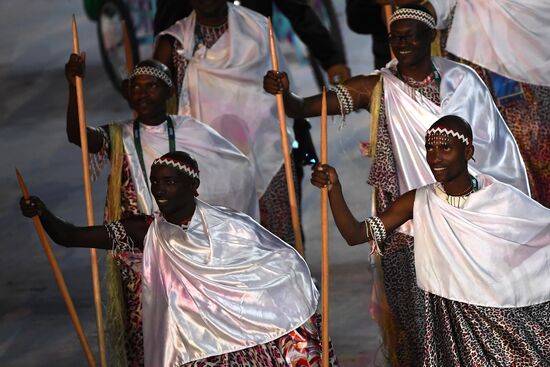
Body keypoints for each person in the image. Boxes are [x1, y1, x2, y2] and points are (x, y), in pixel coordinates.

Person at [264, 5, 530, 365]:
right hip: (408, 226)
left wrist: (494, 209)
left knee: (477, 314)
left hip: (470, 219)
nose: (400, 42)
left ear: (430, 38)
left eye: (409, 35)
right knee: (415, 329)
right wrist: (287, 94)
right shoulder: (377, 86)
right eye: (394, 36)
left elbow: (495, 149)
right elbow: (303, 107)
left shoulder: (463, 81)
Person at [20, 151, 339, 367]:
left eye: (170, 182)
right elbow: (70, 236)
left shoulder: (229, 226)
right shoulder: (146, 232)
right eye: (155, 181)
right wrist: (43, 214)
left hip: (244, 347)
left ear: (193, 186)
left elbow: (280, 263)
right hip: (191, 352)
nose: (160, 189)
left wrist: (292, 292)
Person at [311, 115, 550, 366]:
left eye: (445, 148)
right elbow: (356, 234)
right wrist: (334, 190)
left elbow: (540, 232)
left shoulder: (500, 198)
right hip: (449, 322)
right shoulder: (419, 201)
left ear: (468, 151)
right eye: (430, 148)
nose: (435, 157)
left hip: (497, 318)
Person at [65, 57, 258, 365]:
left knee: (190, 332)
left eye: (151, 86)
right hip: (137, 256)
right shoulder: (119, 136)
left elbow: (237, 173)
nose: (143, 93)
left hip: (187, 253)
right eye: (136, 87)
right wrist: (73, 88)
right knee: (144, 335)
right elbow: (78, 136)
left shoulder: (192, 130)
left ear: (168, 91)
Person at [154, 0, 301, 247]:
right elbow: (155, 103)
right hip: (208, 161)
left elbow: (289, 95)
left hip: (266, 152)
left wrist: (281, 90)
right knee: (223, 245)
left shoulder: (258, 28)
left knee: (277, 242)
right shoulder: (173, 43)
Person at [403, 0, 550, 208]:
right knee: (480, 154)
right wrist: (421, 14)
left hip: (531, 64)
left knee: (536, 145)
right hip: (472, 67)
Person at [153, 0, 350, 84]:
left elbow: (297, 10)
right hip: (207, 80)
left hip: (259, 70)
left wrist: (332, 60)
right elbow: (166, 31)